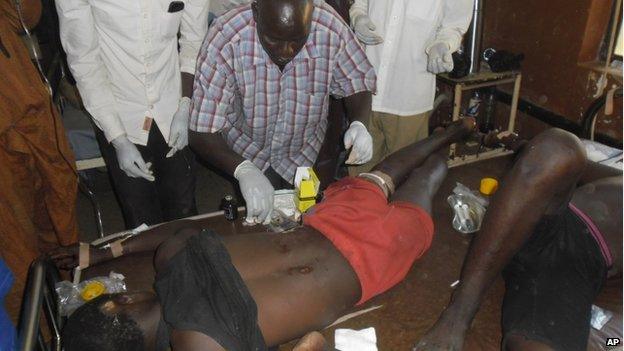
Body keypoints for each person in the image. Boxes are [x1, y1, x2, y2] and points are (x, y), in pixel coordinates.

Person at [53, 118, 477, 351]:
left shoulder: (197, 341)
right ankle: (455, 130)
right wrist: (105, 252)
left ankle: (450, 145)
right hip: (338, 233)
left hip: (363, 259)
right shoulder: (173, 255)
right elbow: (181, 228)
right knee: (392, 175)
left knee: (423, 185)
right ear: (118, 301)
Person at [414, 130, 622, 351]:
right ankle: (460, 311)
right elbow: (578, 167)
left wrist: (613, 342)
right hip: (542, 216)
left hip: (577, 267)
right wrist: (517, 143)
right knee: (561, 148)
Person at [189, 0, 377, 225]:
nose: (286, 52)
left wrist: (359, 124)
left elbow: (358, 79)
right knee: (257, 224)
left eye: (298, 40)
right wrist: (243, 170)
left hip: (304, 150)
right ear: (256, 11)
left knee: (304, 221)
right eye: (274, 39)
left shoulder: (330, 27)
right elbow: (201, 129)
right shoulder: (226, 37)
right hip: (248, 149)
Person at [56, 0, 209, 228]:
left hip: (173, 103)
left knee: (184, 210)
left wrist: (186, 103)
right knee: (141, 218)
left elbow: (194, 43)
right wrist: (118, 139)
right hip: (118, 111)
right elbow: (84, 60)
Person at [0, 0, 78, 321]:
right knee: (18, 250)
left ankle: (69, 302)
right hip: (5, 142)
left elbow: (26, 17)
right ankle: (39, 331)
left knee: (59, 215)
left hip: (31, 112)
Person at [348, 0, 473, 175]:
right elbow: (360, 4)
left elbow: (454, 26)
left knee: (400, 179)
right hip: (365, 91)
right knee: (359, 180)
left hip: (408, 97)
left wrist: (442, 44)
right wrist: (358, 18)